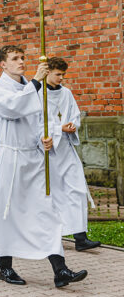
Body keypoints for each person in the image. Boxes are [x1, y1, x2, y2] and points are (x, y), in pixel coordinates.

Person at [0, 45, 88, 288]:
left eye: (23, 57)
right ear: (3, 64)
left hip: (33, 159)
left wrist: (44, 138)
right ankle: (5, 266)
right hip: (11, 159)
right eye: (15, 58)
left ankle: (60, 270)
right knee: (7, 213)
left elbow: (40, 121)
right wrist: (35, 82)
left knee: (47, 212)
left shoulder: (35, 88)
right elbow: (13, 108)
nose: (21, 61)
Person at [45, 57, 100, 251]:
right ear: (47, 72)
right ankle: (53, 234)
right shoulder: (38, 94)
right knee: (53, 193)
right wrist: (58, 128)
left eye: (63, 75)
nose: (61, 78)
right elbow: (35, 122)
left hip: (66, 149)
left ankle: (80, 237)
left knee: (77, 189)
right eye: (57, 74)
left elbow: (75, 115)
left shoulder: (66, 93)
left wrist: (72, 125)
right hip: (48, 152)